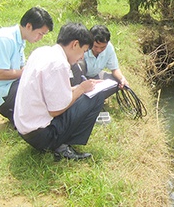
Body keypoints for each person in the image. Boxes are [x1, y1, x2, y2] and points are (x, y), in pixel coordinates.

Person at [14, 22, 118, 160]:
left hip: (25, 129)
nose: (81, 57)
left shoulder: (42, 52)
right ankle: (63, 144)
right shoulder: (59, 64)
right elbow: (56, 110)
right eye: (83, 51)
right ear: (75, 44)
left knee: (82, 93)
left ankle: (61, 141)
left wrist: (78, 88)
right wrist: (81, 88)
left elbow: (52, 91)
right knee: (97, 96)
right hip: (42, 136)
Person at [0, 7, 53, 125]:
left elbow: (20, 67)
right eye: (40, 34)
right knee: (39, 92)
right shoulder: (5, 40)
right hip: (2, 95)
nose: (40, 38)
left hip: (12, 86)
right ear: (29, 26)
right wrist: (28, 71)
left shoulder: (19, 39)